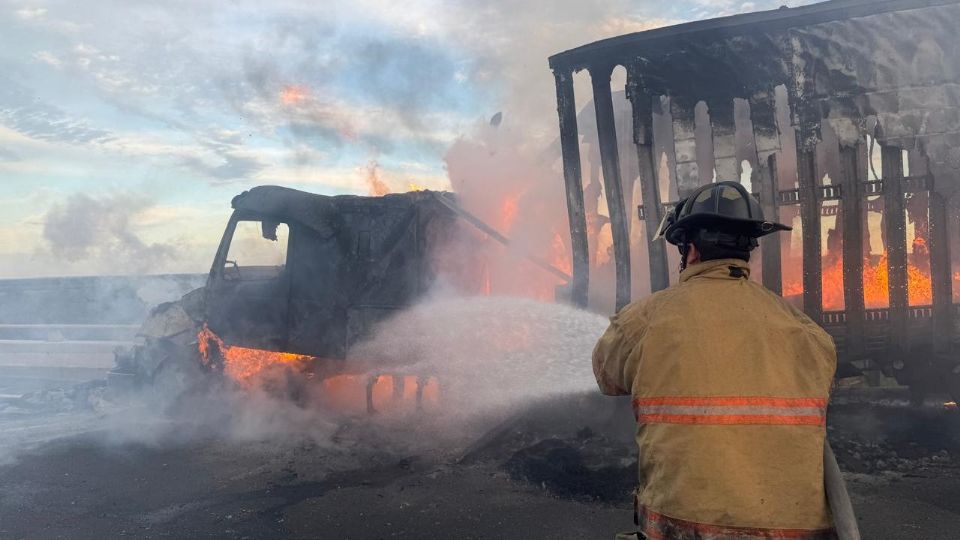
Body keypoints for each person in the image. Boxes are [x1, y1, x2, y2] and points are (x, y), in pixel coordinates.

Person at [593, 181, 841, 539]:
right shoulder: (807, 332)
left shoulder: (645, 320)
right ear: (747, 251)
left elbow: (607, 376)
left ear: (690, 251)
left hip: (684, 528)